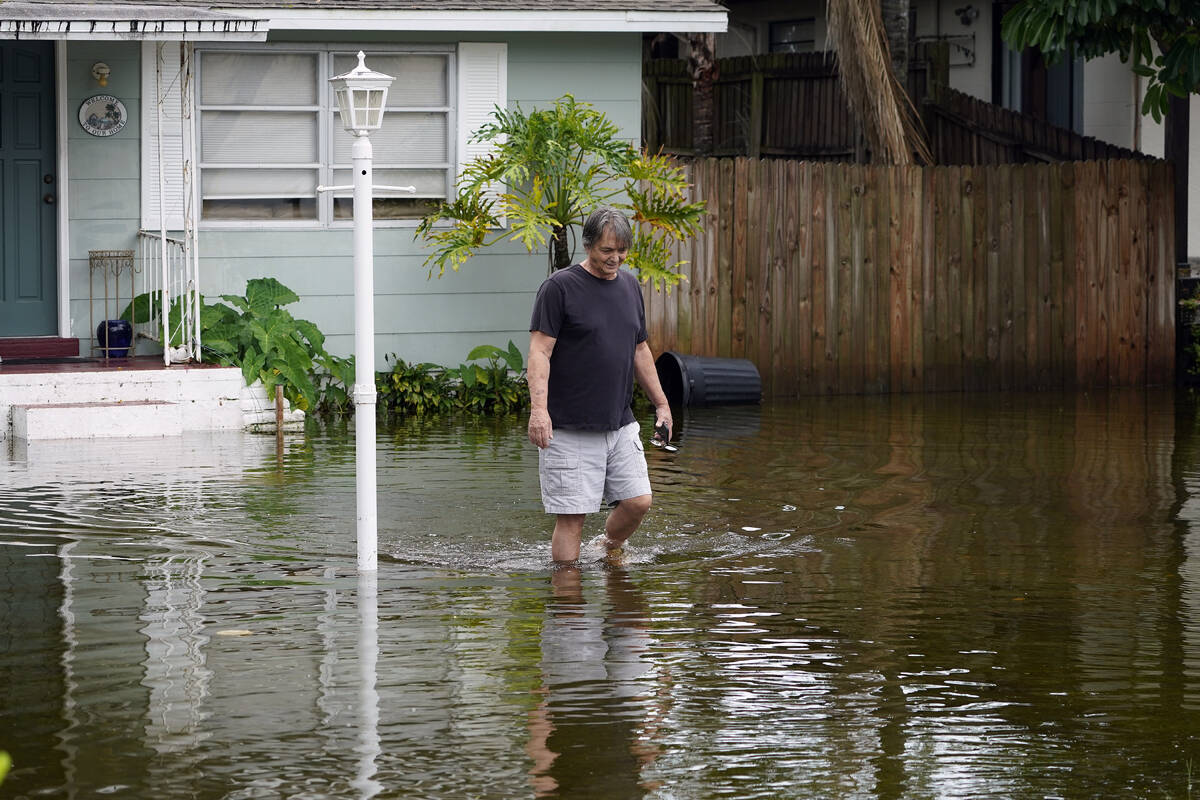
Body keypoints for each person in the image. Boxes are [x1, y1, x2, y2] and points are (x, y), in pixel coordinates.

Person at [527, 206, 673, 563]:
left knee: (639, 501)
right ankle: (568, 606)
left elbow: (640, 348)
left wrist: (662, 404)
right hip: (569, 426)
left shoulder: (629, 285)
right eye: (607, 251)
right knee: (572, 518)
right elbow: (539, 353)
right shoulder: (559, 288)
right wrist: (539, 412)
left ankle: (605, 550)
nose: (615, 258)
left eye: (622, 250)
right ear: (589, 245)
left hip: (619, 422)